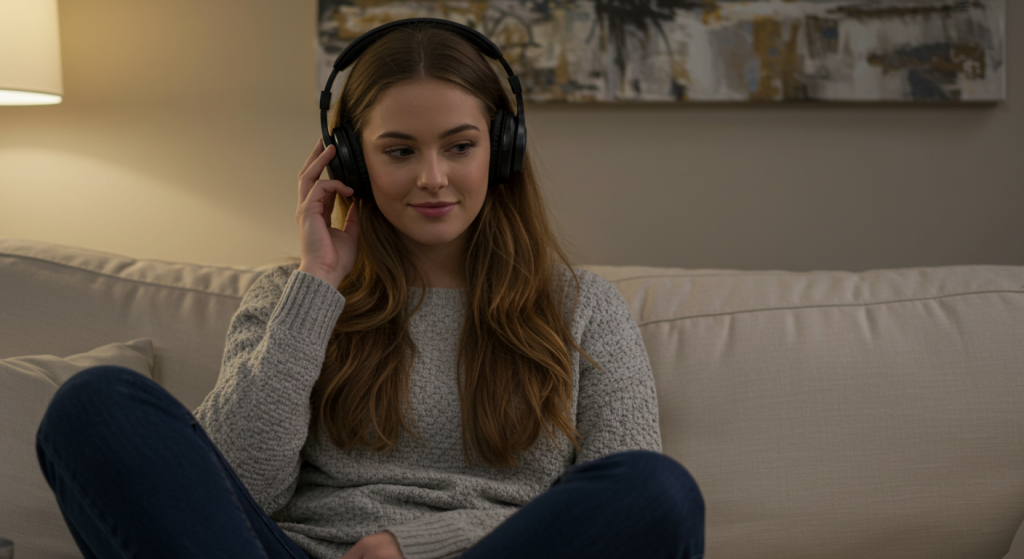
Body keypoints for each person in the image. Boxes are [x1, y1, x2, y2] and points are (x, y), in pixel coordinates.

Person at [35, 18, 704, 559]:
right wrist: (318, 285)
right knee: (94, 403)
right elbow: (237, 489)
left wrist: (410, 545)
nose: (433, 178)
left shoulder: (581, 306)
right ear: (351, 159)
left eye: (459, 146)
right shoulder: (290, 296)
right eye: (400, 150)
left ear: (501, 150)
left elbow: (618, 502)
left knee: (659, 490)